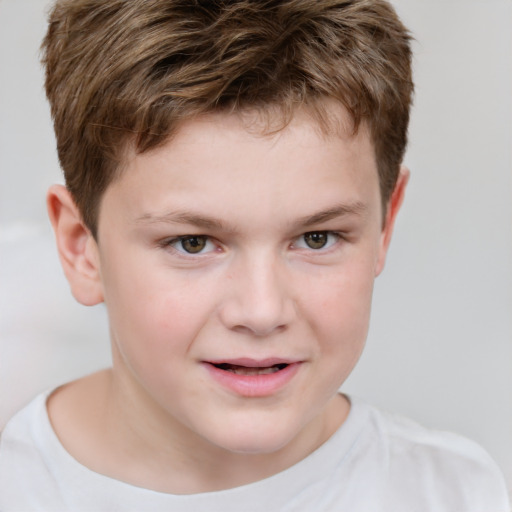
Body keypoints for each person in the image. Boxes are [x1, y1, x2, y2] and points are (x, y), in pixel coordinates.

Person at [0, 0, 509, 510]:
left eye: (317, 238)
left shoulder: (456, 494)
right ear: (80, 246)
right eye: (192, 243)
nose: (262, 311)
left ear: (384, 224)